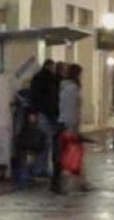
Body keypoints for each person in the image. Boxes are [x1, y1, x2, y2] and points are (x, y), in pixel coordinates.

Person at [57, 64, 92, 193]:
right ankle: (68, 182)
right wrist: (74, 128)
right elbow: (72, 110)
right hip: (69, 125)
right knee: (73, 154)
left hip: (65, 123)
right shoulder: (72, 89)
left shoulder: (65, 88)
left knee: (73, 153)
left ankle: (81, 181)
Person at [30, 60, 61, 189]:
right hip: (47, 114)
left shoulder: (39, 78)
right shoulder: (49, 79)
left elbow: (34, 96)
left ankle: (40, 168)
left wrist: (33, 112)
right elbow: (42, 97)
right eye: (52, 67)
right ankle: (39, 169)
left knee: (44, 142)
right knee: (44, 142)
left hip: (44, 113)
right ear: (49, 66)